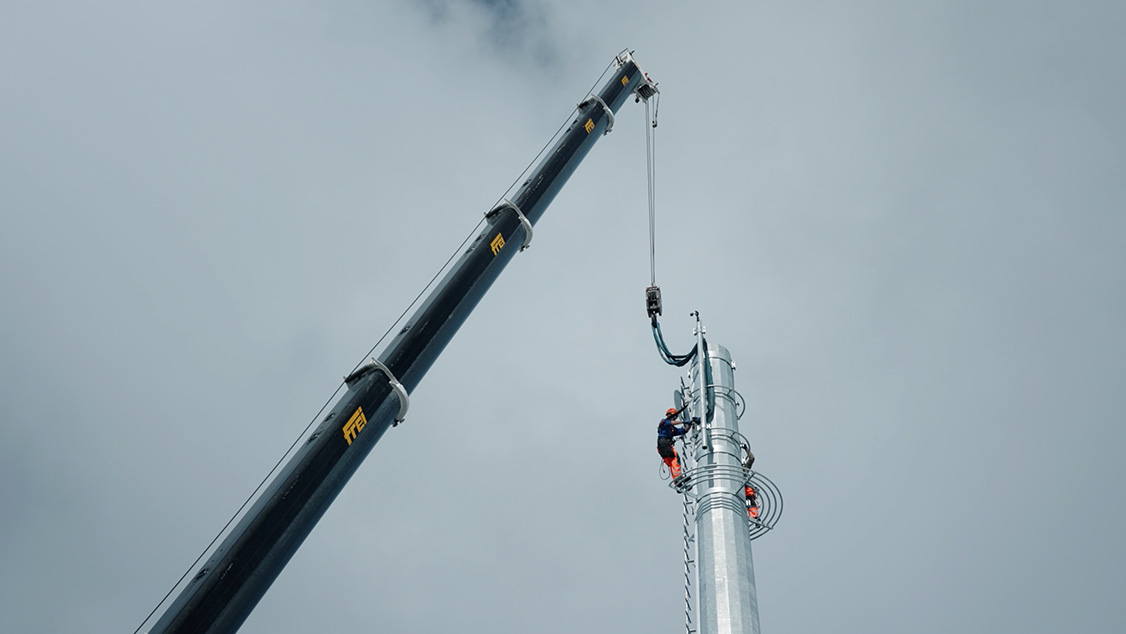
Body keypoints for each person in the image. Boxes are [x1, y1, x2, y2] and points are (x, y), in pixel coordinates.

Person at [657, 407, 692, 479]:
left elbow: (683, 431)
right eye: (674, 417)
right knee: (675, 458)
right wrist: (683, 422)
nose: (675, 419)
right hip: (663, 443)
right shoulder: (664, 422)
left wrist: (690, 424)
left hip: (664, 446)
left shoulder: (672, 429)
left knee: (672, 462)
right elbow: (670, 423)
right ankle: (679, 477)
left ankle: (677, 479)